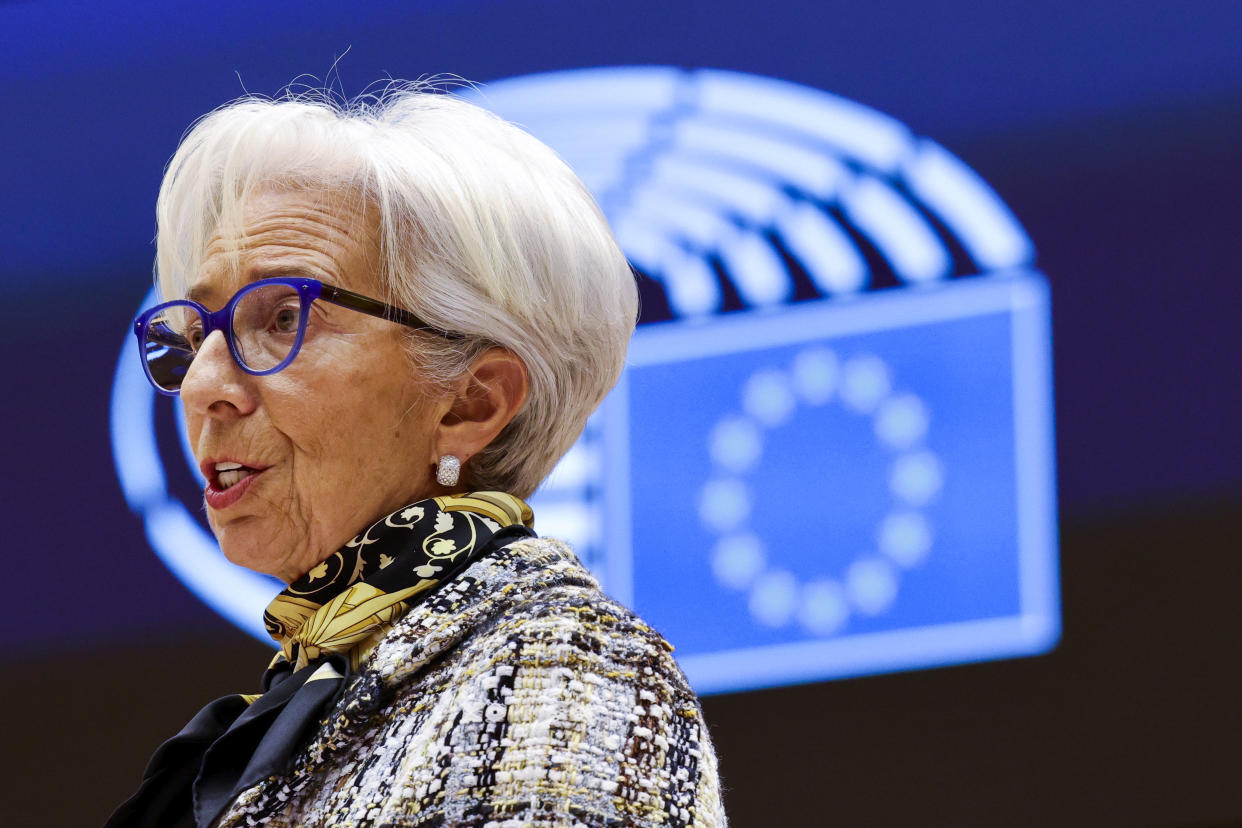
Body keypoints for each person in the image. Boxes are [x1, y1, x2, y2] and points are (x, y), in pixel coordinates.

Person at [106, 84, 726, 828]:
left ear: (471, 403)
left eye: (284, 317)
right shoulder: (318, 695)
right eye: (200, 330)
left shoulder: (564, 670)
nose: (203, 383)